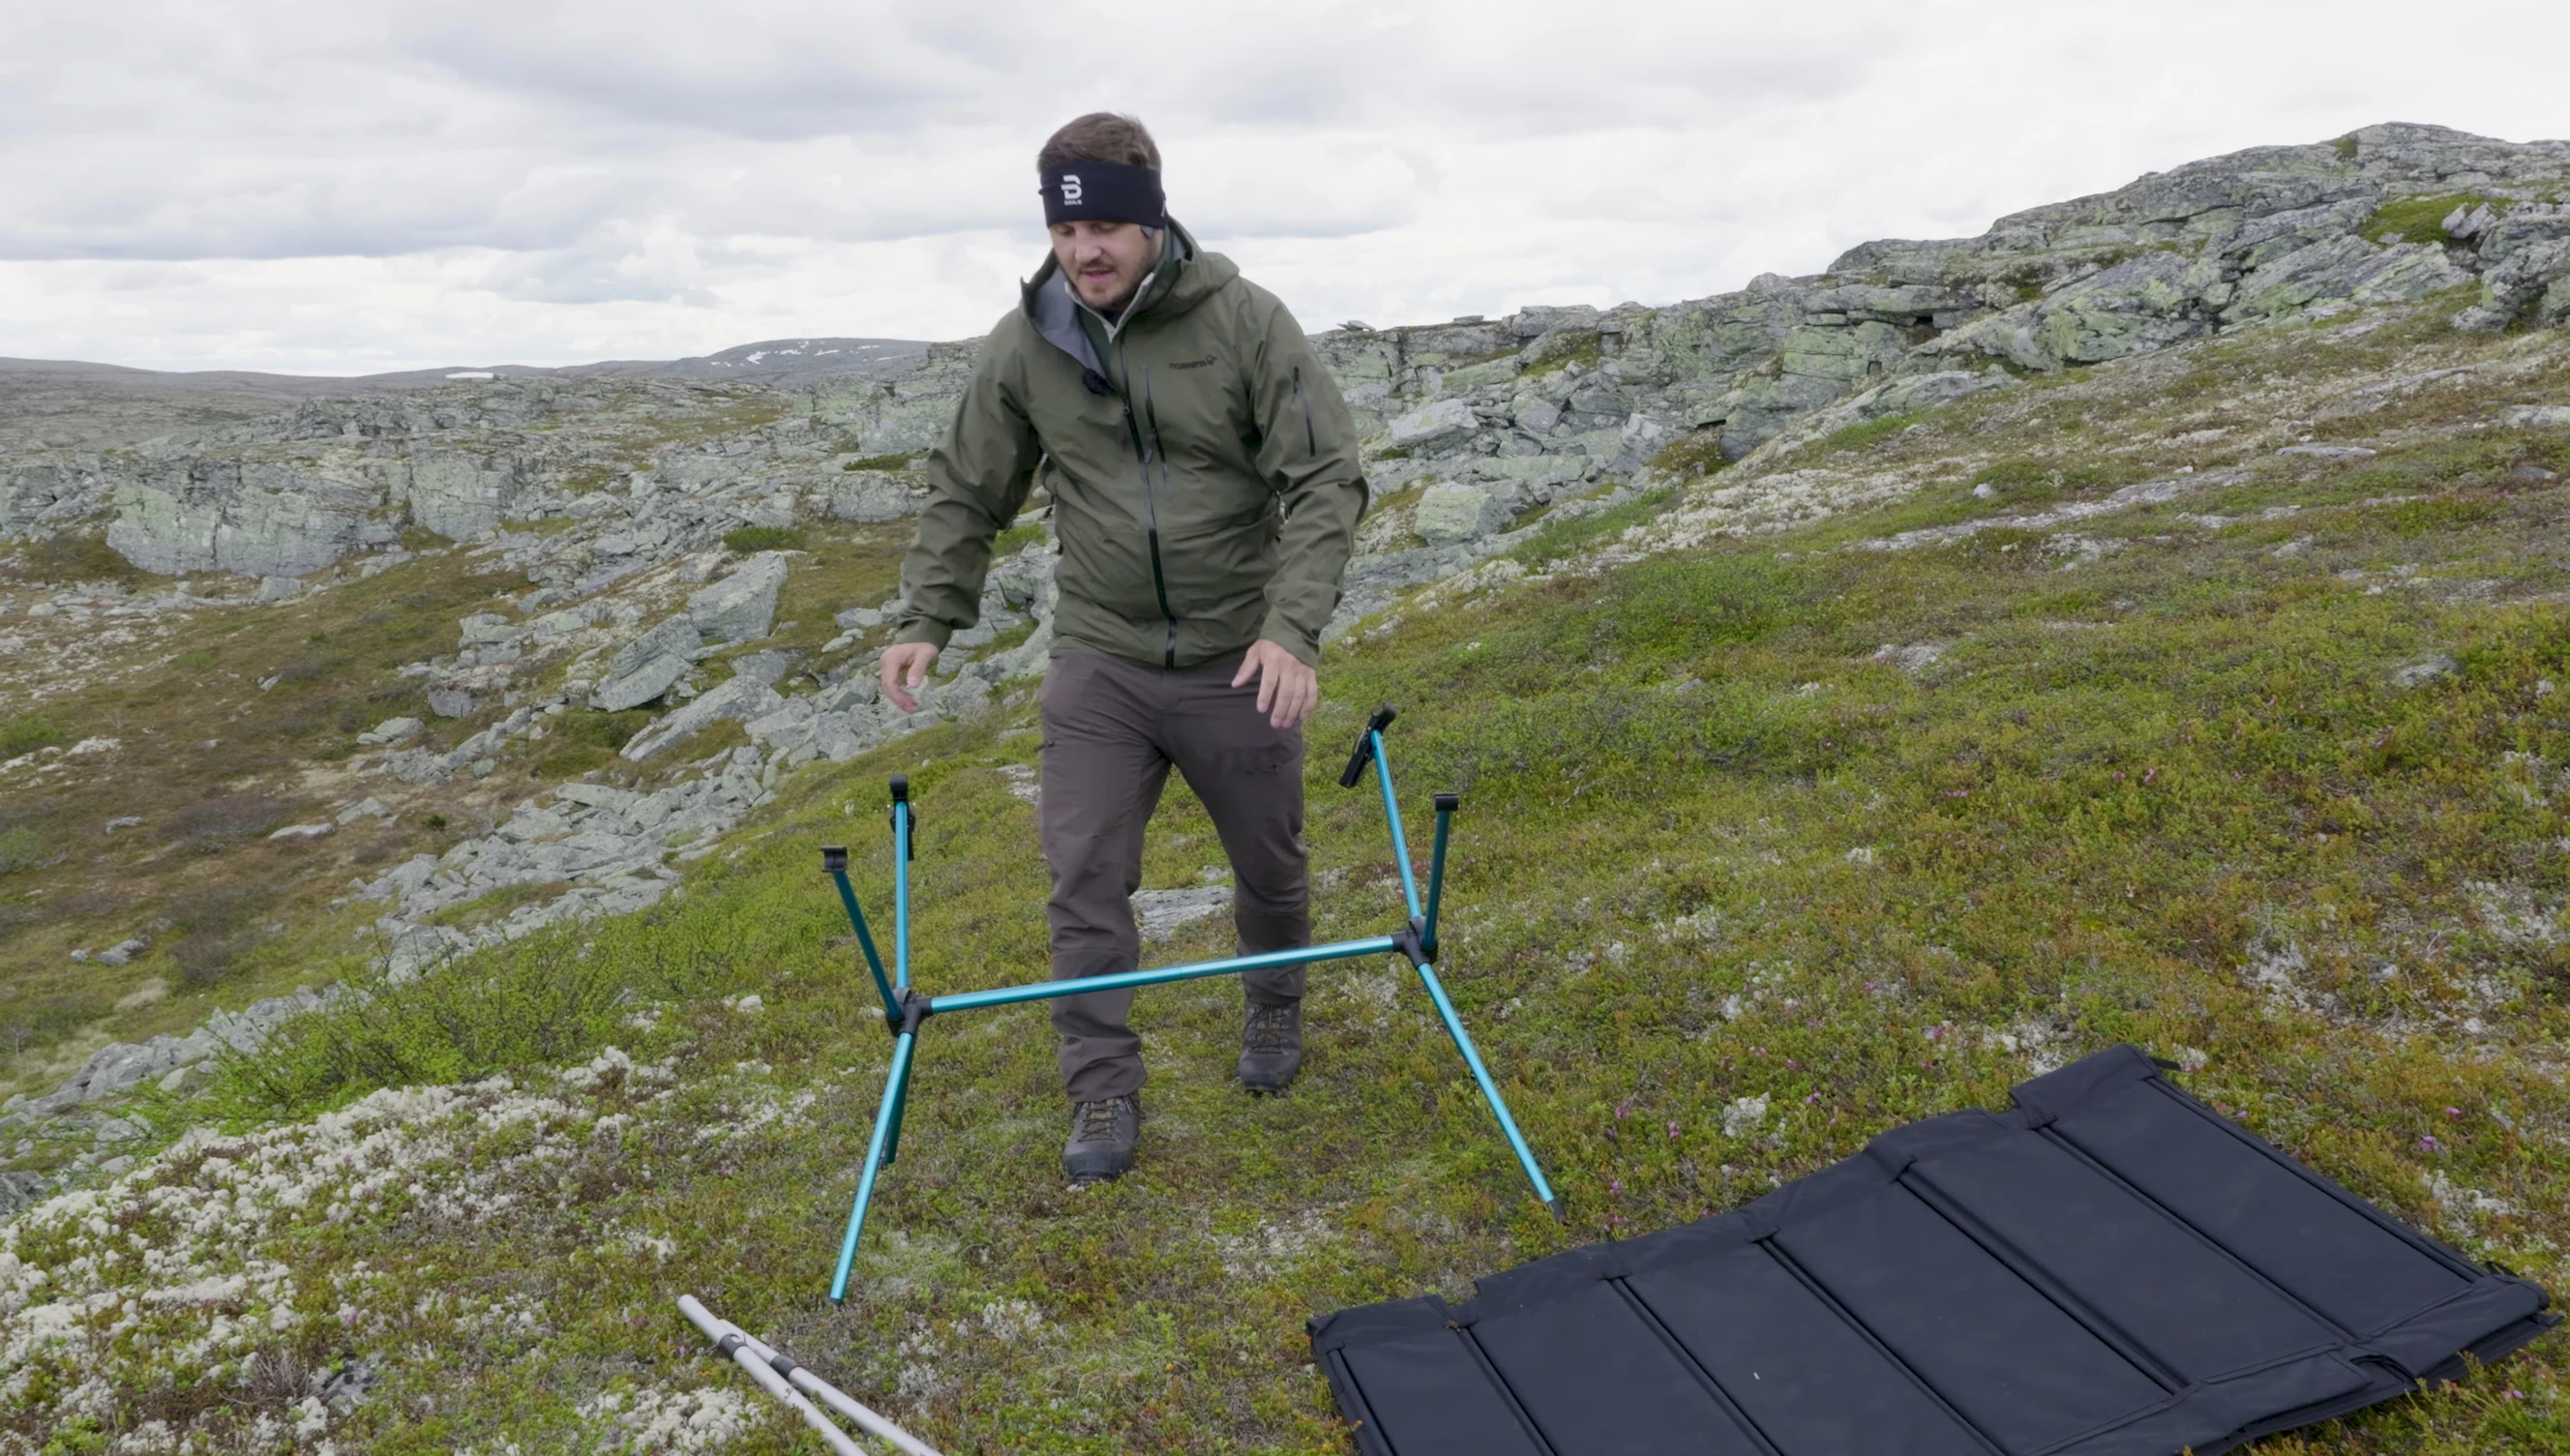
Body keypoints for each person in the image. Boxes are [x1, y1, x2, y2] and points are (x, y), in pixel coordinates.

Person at [878, 112, 1368, 1183]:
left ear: (1150, 221)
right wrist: (928, 615)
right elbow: (971, 486)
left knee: (1270, 866)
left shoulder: (1244, 321)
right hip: (1100, 657)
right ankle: (1101, 1085)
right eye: (1065, 230)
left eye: (1104, 225)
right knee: (1084, 874)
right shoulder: (1028, 342)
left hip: (1236, 656)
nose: (1083, 250)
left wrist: (1291, 629)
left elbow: (1325, 477)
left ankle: (1275, 1005)